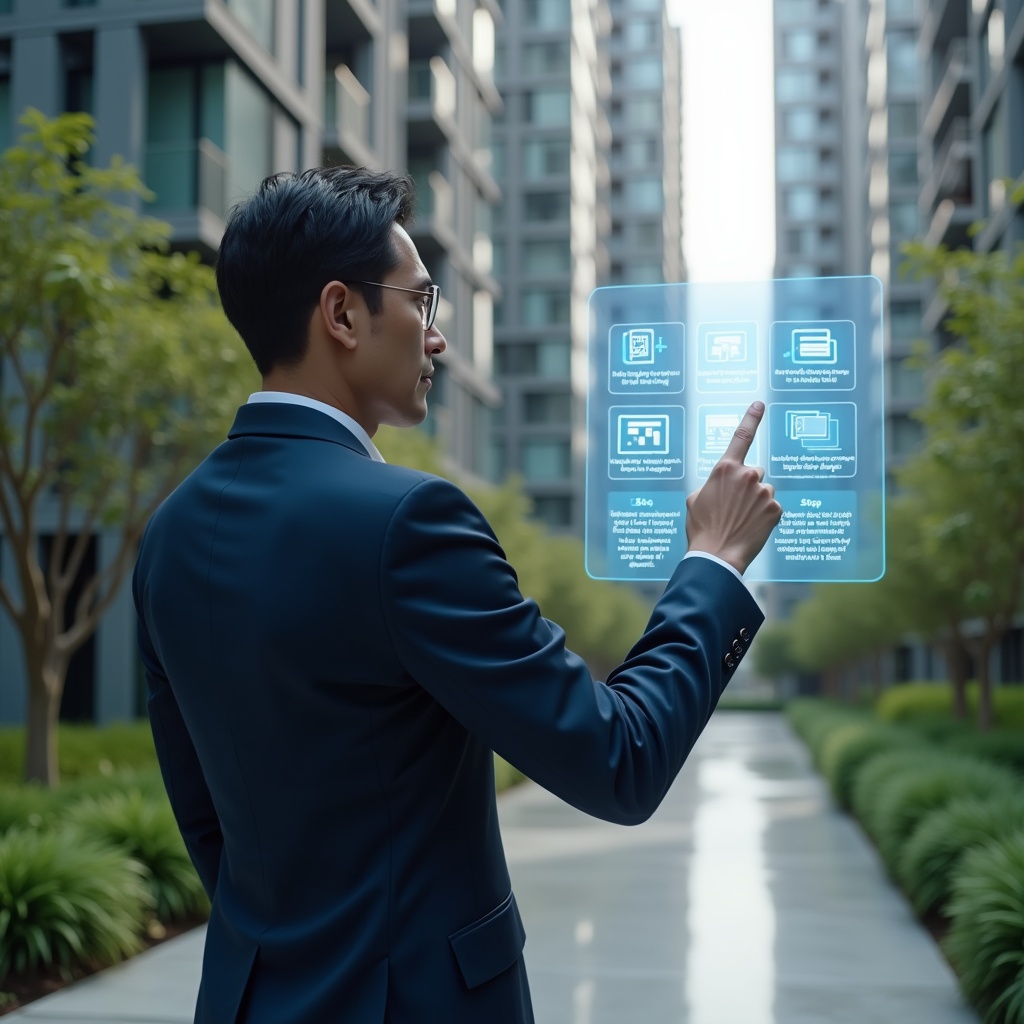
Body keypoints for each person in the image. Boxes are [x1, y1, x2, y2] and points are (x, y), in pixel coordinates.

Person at [132, 166, 781, 1024]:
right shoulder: (409, 521)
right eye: (421, 302)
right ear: (342, 314)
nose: (437, 339)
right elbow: (620, 758)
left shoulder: (169, 535)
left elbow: (208, 825)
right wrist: (714, 563)